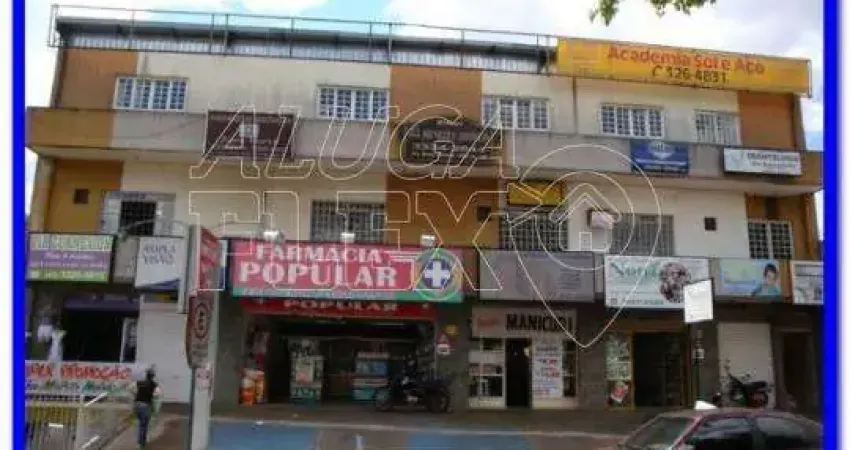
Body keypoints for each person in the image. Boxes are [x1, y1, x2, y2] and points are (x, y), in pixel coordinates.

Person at [128, 367, 162, 449]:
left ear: (146, 375)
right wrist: (151, 395)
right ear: (153, 376)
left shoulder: (139, 382)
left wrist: (136, 393)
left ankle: (141, 441)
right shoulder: (154, 385)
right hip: (145, 406)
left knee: (140, 424)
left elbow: (129, 388)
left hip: (137, 405)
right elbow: (158, 394)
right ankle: (141, 443)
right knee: (143, 425)